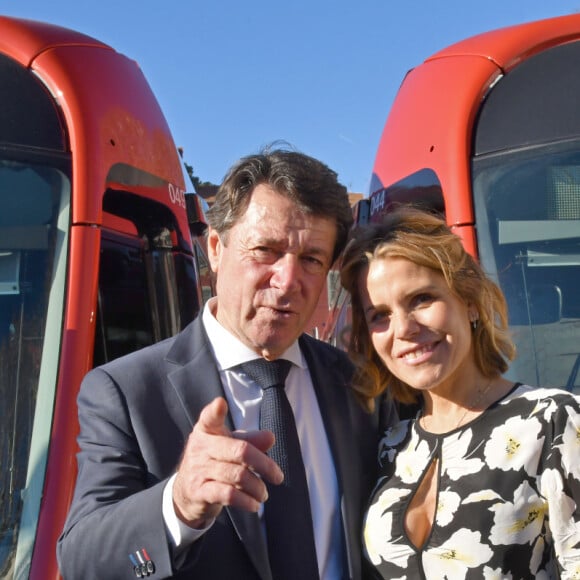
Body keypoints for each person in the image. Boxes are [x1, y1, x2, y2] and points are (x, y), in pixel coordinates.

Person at [57, 147, 394, 580]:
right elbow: (81, 560)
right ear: (216, 249)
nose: (288, 280)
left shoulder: (359, 386)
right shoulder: (126, 391)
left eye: (311, 259)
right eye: (266, 250)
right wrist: (178, 503)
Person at [339, 206, 580, 579]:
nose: (403, 329)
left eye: (421, 299)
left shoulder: (553, 422)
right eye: (379, 315)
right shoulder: (391, 445)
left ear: (468, 300)